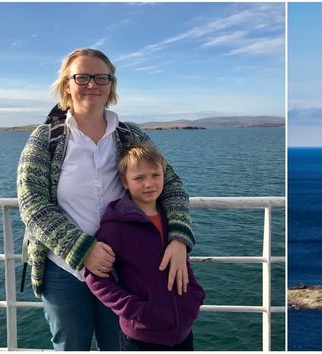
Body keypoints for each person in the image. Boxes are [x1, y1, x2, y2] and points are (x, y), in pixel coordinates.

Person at [17, 48, 195, 350]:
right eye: (82, 77)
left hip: (124, 267)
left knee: (120, 344)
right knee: (71, 346)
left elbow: (172, 184)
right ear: (66, 86)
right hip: (64, 270)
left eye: (102, 77)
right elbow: (31, 204)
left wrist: (178, 238)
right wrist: (83, 249)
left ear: (111, 85)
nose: (92, 84)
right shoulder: (45, 138)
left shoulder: (129, 135)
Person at [85, 142, 205, 351]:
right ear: (125, 181)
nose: (149, 183)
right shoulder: (116, 227)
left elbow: (182, 260)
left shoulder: (173, 221)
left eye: (155, 175)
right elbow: (95, 277)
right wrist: (135, 310)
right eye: (139, 178)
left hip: (183, 331)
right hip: (142, 336)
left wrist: (194, 296)